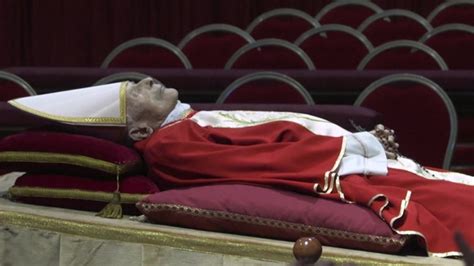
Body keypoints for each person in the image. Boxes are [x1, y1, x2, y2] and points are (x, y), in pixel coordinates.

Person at [8, 78, 474, 258]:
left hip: (349, 159)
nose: (149, 80)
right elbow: (262, 159)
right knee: (456, 202)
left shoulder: (184, 123)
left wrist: (361, 144)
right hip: (340, 171)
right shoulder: (172, 144)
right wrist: (360, 146)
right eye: (139, 92)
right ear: (138, 129)